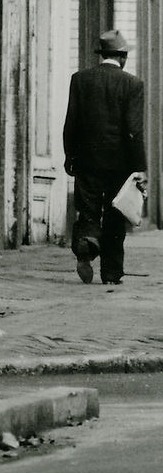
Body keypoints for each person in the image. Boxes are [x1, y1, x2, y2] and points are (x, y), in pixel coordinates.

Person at [63, 29, 147, 285]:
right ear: (122, 57)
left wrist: (71, 157)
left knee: (88, 209)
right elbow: (134, 130)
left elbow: (71, 123)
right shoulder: (133, 84)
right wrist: (139, 167)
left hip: (87, 160)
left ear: (102, 55)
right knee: (114, 215)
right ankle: (111, 273)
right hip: (119, 165)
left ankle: (86, 244)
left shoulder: (80, 79)